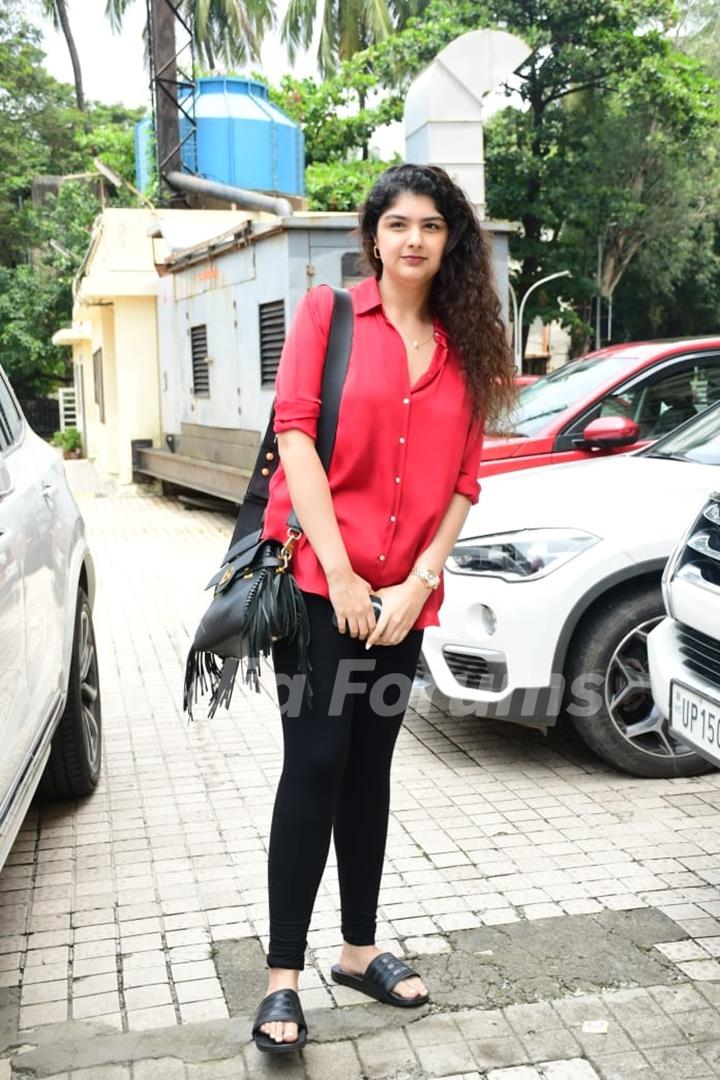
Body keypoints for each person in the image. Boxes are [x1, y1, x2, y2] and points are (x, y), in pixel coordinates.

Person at [251, 163, 516, 1053]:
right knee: (316, 759)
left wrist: (418, 582)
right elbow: (294, 436)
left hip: (404, 604)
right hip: (323, 592)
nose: (413, 239)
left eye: (431, 226)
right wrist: (345, 573)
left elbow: (466, 480)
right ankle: (282, 979)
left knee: (370, 768)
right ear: (372, 237)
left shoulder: (469, 344)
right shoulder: (327, 318)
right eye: (397, 223)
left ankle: (359, 951)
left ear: (451, 242)